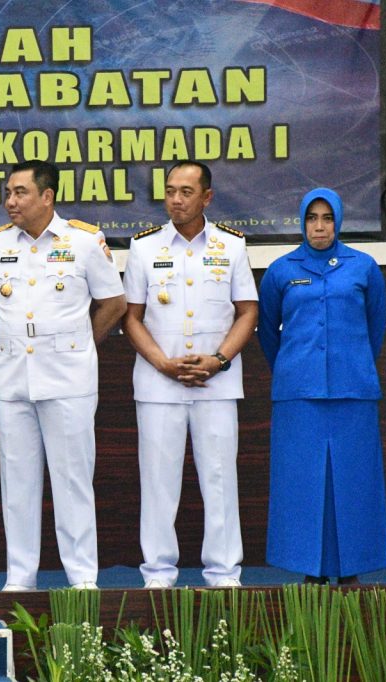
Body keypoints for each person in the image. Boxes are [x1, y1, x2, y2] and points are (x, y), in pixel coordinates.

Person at [0, 159, 127, 591]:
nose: (10, 201)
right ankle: (20, 577)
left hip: (68, 378)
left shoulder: (84, 241)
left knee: (72, 480)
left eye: (20, 192)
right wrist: (16, 336)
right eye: (7, 192)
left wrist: (78, 344)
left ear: (47, 196)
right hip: (13, 378)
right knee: (18, 482)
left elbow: (114, 304)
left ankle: (82, 578)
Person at [121, 160, 257, 589]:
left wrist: (219, 359)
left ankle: (224, 572)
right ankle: (158, 573)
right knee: (158, 482)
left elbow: (248, 312)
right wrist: (162, 363)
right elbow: (131, 317)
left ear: (207, 197)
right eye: (170, 191)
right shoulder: (144, 247)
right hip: (159, 384)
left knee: (219, 479)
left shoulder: (231, 246)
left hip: (217, 383)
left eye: (186, 192)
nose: (175, 200)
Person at [258, 187, 386, 584]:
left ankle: (350, 570)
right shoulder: (281, 270)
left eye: (327, 218)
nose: (320, 226)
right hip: (299, 396)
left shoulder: (364, 267)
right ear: (302, 222)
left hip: (353, 392)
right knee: (302, 484)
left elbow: (375, 328)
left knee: (354, 482)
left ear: (338, 222)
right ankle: (310, 571)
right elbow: (268, 333)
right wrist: (297, 369)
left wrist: (351, 363)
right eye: (312, 218)